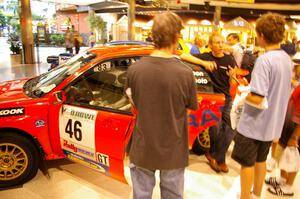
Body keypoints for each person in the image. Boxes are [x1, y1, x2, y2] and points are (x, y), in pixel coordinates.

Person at [125, 12, 198, 199]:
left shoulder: (134, 70)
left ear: (153, 36)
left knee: (140, 195)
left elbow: (133, 103)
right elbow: (187, 110)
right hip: (173, 149)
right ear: (176, 37)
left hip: (143, 147)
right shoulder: (186, 73)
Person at [231, 13, 293, 199]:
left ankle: (245, 197)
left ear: (262, 35)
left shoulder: (264, 60)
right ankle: (257, 195)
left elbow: (257, 98)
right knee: (260, 160)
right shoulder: (286, 59)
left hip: (253, 125)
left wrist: (242, 94)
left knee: (247, 164)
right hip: (271, 125)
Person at [183, 32, 237, 173]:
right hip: (212, 99)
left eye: (222, 42)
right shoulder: (206, 56)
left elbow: (232, 82)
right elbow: (183, 55)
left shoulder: (230, 59)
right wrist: (203, 63)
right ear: (211, 45)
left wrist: (232, 77)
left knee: (231, 127)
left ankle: (216, 156)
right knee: (216, 128)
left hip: (226, 97)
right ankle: (217, 157)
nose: (220, 45)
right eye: (217, 43)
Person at [265, 85, 300, 197]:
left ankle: (288, 186)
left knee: (293, 156)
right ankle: (283, 179)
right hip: (290, 122)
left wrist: (295, 136)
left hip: (296, 128)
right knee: (284, 151)